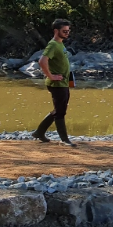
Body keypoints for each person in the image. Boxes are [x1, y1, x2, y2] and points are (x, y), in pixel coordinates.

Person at [31, 18, 76, 146]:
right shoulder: (53, 45)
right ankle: (64, 140)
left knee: (58, 109)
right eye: (64, 31)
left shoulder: (60, 43)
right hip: (57, 84)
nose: (67, 33)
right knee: (60, 111)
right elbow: (42, 61)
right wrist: (51, 76)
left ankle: (39, 132)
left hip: (64, 83)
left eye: (68, 31)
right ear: (56, 31)